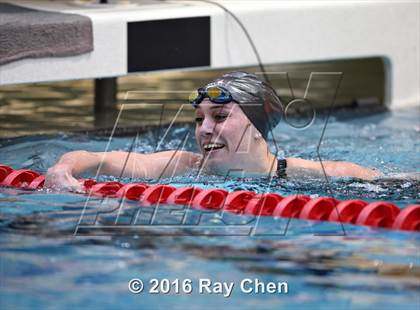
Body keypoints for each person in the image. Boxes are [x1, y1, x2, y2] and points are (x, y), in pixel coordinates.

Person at [45, 72, 382, 191]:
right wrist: (63, 168)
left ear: (256, 127)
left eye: (220, 117)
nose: (204, 129)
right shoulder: (179, 166)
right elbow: (96, 158)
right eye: (199, 119)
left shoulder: (317, 175)